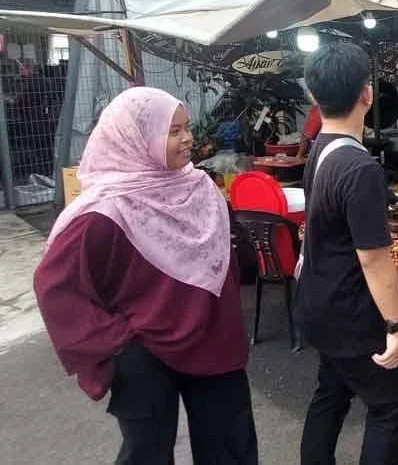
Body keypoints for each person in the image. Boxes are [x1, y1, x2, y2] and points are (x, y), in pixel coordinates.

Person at [34, 87, 258, 464]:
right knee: (147, 453)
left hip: (213, 340)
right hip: (145, 356)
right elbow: (55, 287)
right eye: (173, 131)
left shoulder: (201, 189)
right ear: (135, 140)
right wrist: (118, 344)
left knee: (230, 446)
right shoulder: (106, 212)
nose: (188, 138)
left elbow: (231, 263)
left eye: (186, 128)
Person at [296, 42, 398, 465]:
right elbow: (373, 258)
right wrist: (397, 323)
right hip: (349, 312)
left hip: (318, 303)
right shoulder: (360, 169)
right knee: (389, 402)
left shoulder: (320, 148)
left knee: (331, 392)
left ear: (314, 96)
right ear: (367, 95)